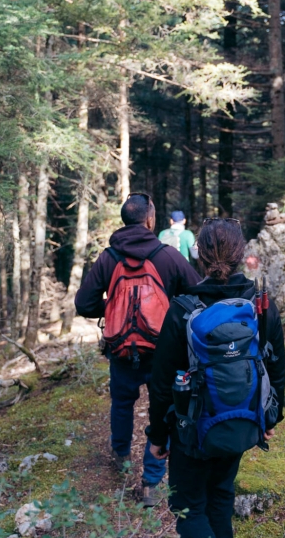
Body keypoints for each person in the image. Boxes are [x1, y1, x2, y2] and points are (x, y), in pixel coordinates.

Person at [147, 218, 285, 538]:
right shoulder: (259, 304)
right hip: (240, 421)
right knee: (221, 495)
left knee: (188, 506)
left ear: (200, 255)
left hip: (189, 431)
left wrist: (157, 436)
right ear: (241, 254)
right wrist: (270, 418)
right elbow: (276, 367)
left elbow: (161, 382)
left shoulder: (183, 309)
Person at [75, 193, 201, 507]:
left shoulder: (108, 257)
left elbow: (84, 304)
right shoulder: (167, 256)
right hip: (163, 350)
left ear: (124, 220)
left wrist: (113, 306)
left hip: (120, 349)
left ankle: (119, 455)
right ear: (149, 220)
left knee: (122, 403)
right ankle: (151, 483)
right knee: (164, 411)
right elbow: (197, 293)